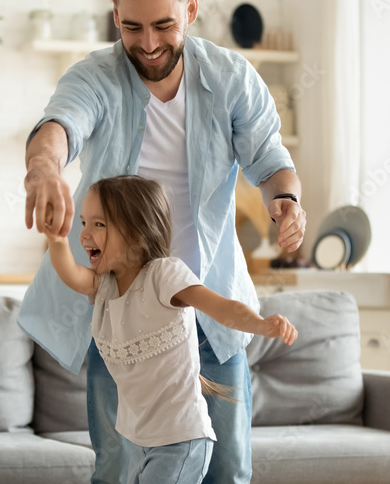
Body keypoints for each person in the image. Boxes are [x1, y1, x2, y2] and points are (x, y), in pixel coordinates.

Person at [18, 0, 306, 484]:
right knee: (122, 469)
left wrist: (285, 200)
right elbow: (61, 125)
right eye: (132, 27)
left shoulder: (230, 77)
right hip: (125, 311)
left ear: (190, 8)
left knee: (226, 472)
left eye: (163, 25)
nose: (148, 45)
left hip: (209, 306)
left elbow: (271, 160)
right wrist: (42, 167)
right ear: (114, 13)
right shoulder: (97, 76)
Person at [43, 175, 297, 484]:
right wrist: (56, 241)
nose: (84, 235)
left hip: (181, 437)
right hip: (138, 439)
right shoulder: (104, 286)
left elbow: (222, 308)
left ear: (137, 235)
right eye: (83, 222)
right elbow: (70, 274)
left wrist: (261, 325)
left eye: (99, 224)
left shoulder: (164, 275)